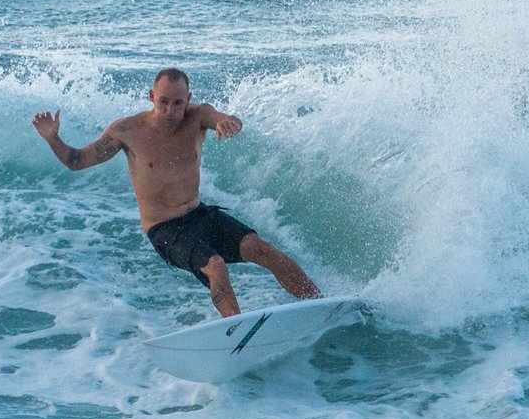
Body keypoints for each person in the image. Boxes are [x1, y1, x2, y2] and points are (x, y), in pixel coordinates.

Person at [32, 68, 322, 317]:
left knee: (263, 249)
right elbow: (76, 161)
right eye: (163, 102)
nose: (170, 111)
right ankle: (235, 332)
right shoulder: (127, 131)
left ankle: (320, 304)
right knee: (216, 267)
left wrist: (228, 122)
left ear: (188, 101)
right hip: (165, 229)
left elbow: (223, 117)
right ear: (151, 97)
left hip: (199, 214)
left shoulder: (197, 118)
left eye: (178, 103)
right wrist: (53, 139)